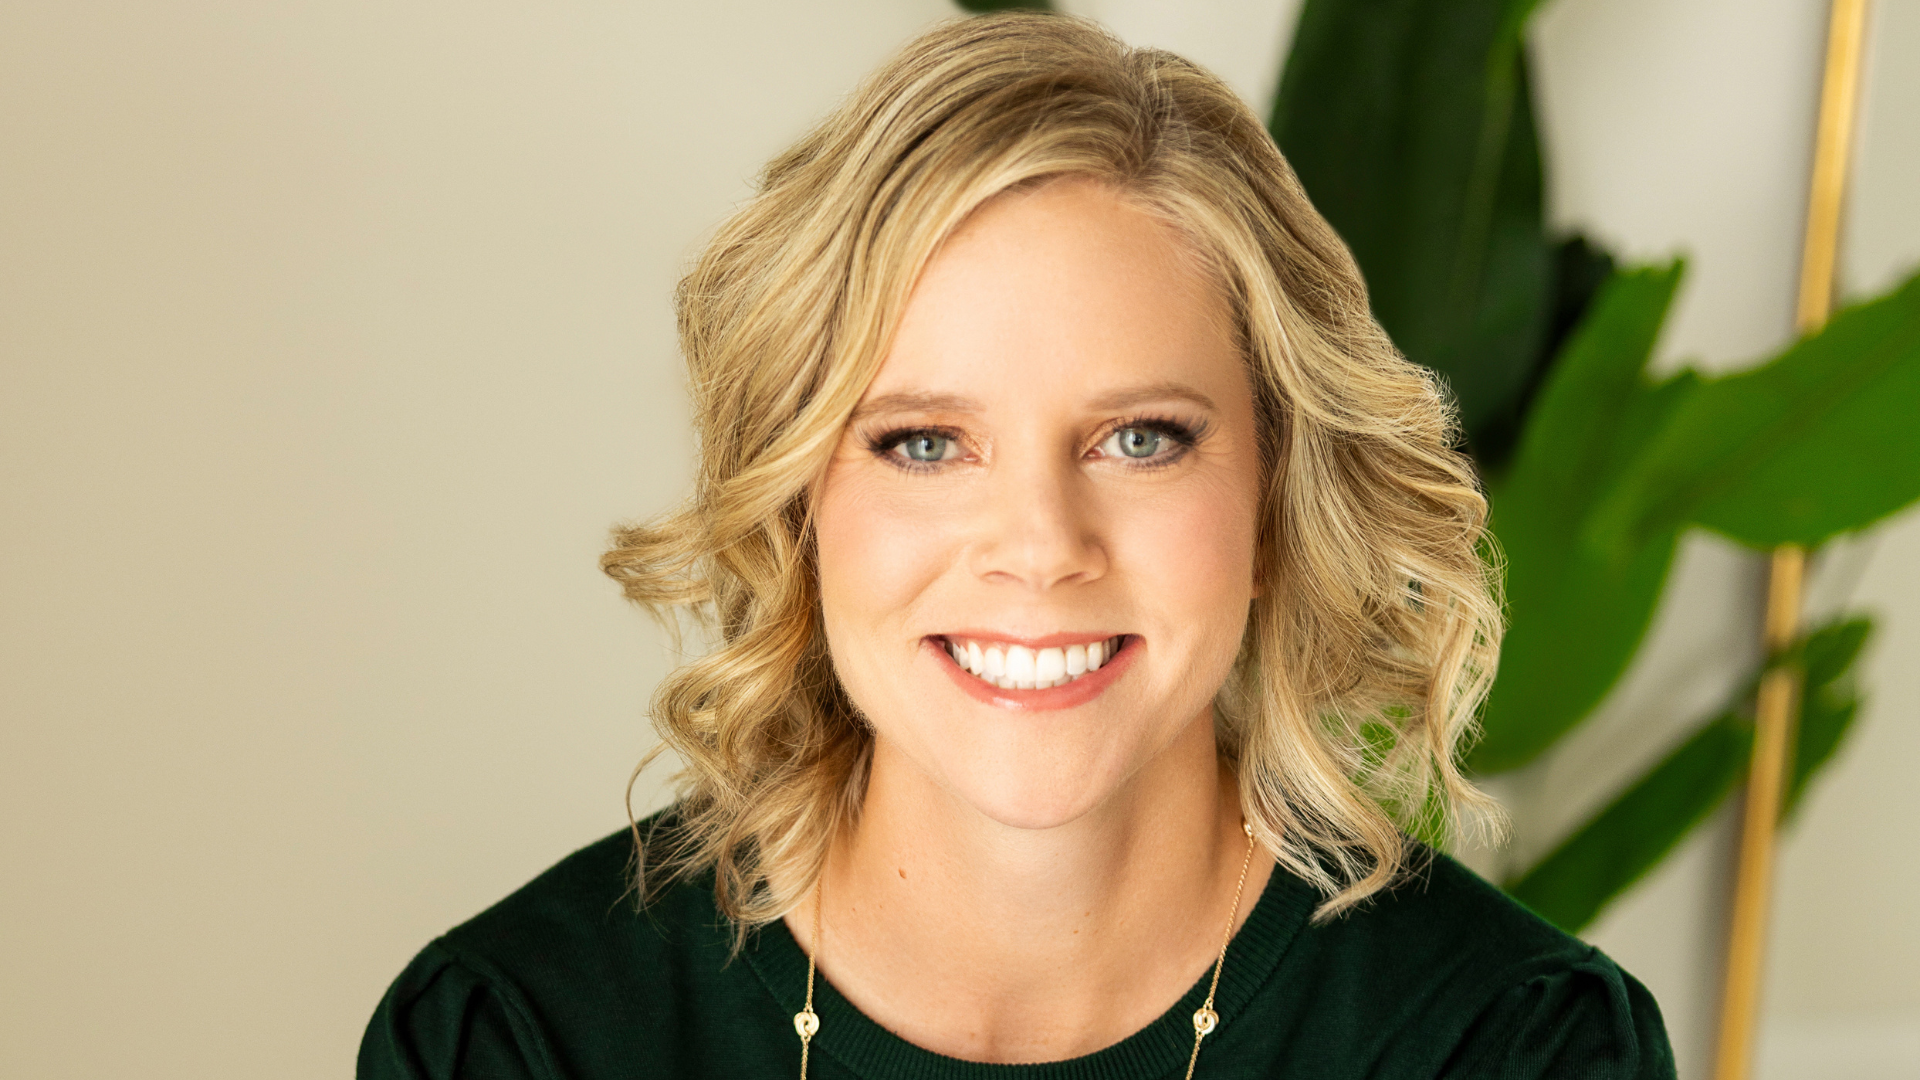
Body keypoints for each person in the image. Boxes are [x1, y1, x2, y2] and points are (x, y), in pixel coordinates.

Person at [359, 12, 1674, 1079]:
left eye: (1141, 439)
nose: (1041, 549)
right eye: (925, 442)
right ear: (799, 503)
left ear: (1276, 499)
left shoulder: (1514, 1049)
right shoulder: (518, 1038)